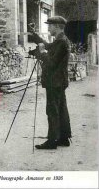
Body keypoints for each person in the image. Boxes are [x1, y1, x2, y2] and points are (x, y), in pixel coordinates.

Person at [30, 16, 72, 149]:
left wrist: (41, 52)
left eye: (50, 25)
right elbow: (48, 46)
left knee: (52, 110)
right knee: (61, 109)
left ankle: (52, 141)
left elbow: (52, 63)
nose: (48, 28)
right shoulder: (60, 40)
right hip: (59, 81)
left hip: (55, 81)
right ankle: (64, 138)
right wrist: (35, 36)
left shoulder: (61, 42)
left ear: (58, 27)